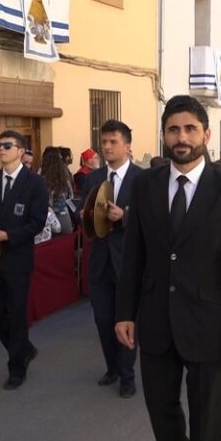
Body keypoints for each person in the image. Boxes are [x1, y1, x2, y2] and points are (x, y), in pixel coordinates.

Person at [114, 95, 221, 441]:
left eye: (190, 129)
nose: (181, 137)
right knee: (162, 410)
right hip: (155, 320)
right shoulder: (146, 185)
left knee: (207, 418)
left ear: (206, 135)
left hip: (209, 324)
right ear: (164, 134)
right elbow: (133, 254)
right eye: (174, 129)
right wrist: (125, 311)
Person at [0, 130, 49, 389]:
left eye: (7, 145)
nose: (1, 150)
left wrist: (7, 235)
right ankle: (24, 349)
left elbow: (37, 222)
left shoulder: (35, 184)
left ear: (21, 151)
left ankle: (16, 367)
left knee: (17, 313)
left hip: (17, 258)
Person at [83, 119, 141, 398]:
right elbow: (85, 217)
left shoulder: (142, 179)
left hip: (129, 262)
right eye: (103, 142)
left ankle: (128, 376)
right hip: (100, 263)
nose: (106, 146)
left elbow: (153, 220)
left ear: (127, 146)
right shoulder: (93, 179)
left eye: (112, 142)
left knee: (127, 319)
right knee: (103, 319)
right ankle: (113, 367)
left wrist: (125, 217)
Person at [40, 147, 75, 235]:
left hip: (47, 218)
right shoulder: (64, 178)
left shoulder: (40, 178)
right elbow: (71, 196)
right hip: (65, 216)